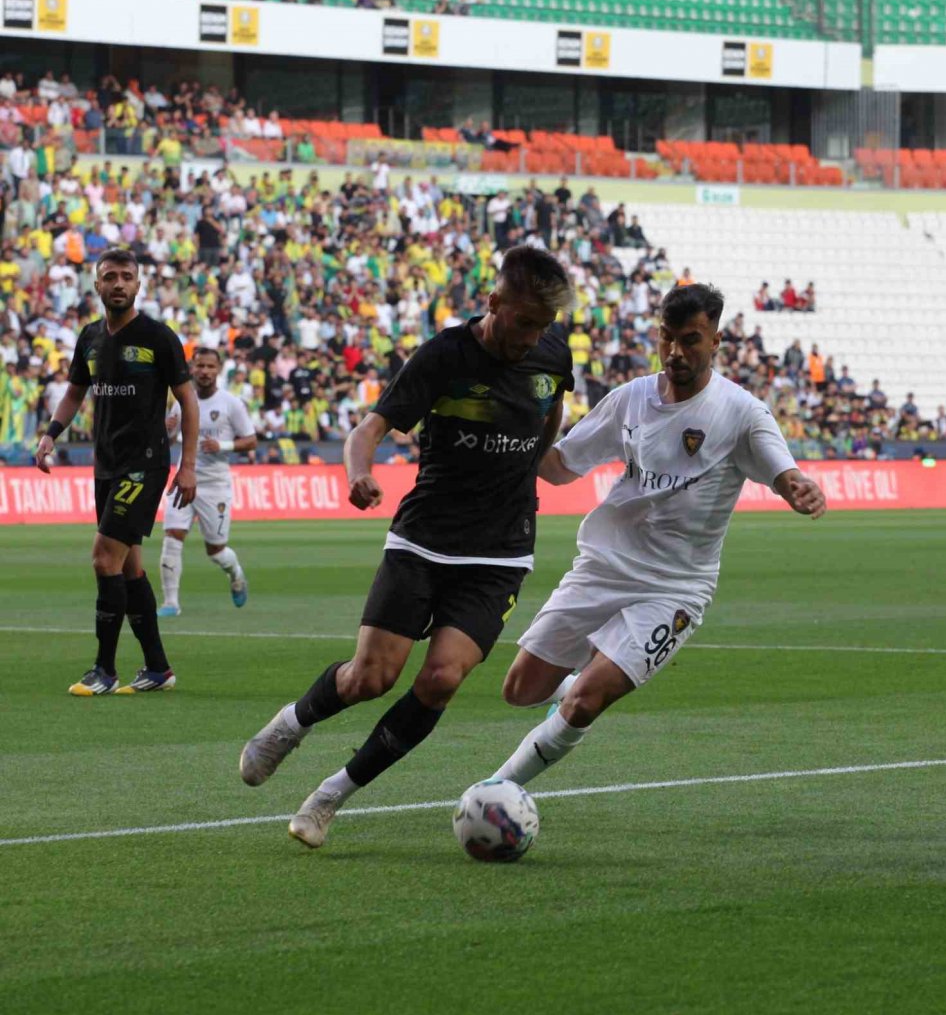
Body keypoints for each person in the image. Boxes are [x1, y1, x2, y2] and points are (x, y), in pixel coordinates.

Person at [238, 246, 575, 848]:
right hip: (424, 539)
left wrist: (536, 464)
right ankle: (289, 725)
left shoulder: (552, 354)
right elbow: (368, 430)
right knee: (371, 677)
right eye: (524, 321)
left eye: (543, 325)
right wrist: (357, 473)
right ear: (494, 302)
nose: (532, 336)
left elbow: (549, 413)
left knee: (442, 678)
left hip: (500, 551)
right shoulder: (444, 355)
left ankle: (330, 795)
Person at [477, 283, 826, 792]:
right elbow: (556, 468)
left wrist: (798, 487)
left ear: (716, 341)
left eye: (690, 340)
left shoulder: (742, 412)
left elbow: (783, 470)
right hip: (605, 565)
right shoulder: (630, 399)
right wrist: (513, 429)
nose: (675, 352)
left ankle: (497, 790)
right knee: (521, 689)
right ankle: (586, 679)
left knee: (583, 703)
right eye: (666, 338)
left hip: (675, 588)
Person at [33, 248, 198, 696]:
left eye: (127, 276)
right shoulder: (89, 338)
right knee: (128, 568)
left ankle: (104, 671)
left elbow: (187, 400)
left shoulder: (158, 337)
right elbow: (73, 393)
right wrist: (51, 434)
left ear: (139, 284)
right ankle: (158, 668)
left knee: (103, 557)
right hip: (105, 464)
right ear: (98, 286)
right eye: (111, 276)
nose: (119, 283)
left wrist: (188, 466)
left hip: (144, 464)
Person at [158, 347, 257, 618]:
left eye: (210, 367)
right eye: (200, 366)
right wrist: (164, 430)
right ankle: (170, 603)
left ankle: (235, 572)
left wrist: (223, 444)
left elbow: (251, 439)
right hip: (183, 478)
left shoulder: (231, 404)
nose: (204, 371)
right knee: (172, 535)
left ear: (219, 369)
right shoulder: (181, 402)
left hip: (215, 485)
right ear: (192, 368)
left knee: (215, 550)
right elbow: (168, 438)